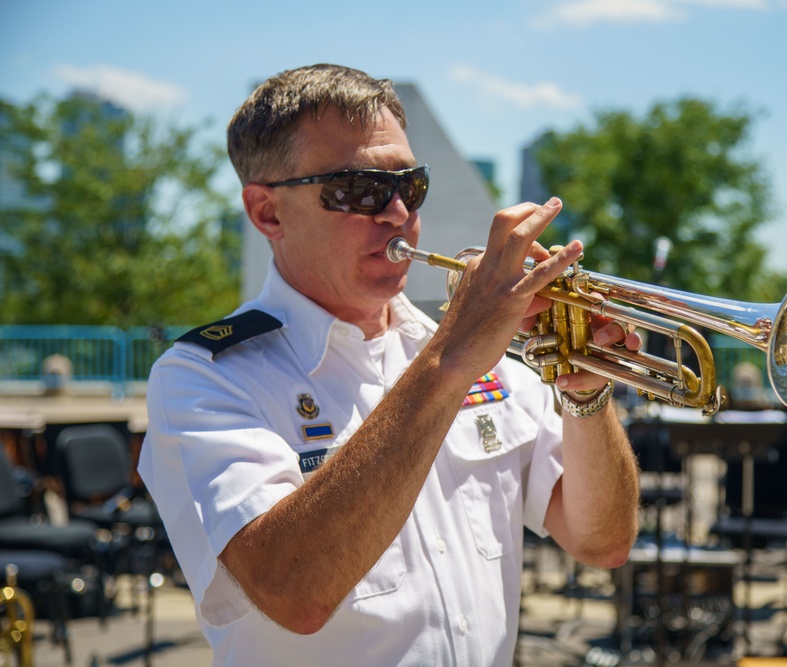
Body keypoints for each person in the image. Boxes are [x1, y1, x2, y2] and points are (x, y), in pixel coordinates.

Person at [138, 63, 640, 666]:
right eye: (360, 190)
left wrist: (585, 395)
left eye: (411, 186)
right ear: (268, 213)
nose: (398, 214)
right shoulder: (203, 376)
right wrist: (452, 359)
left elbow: (602, 540)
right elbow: (294, 592)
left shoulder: (471, 355)